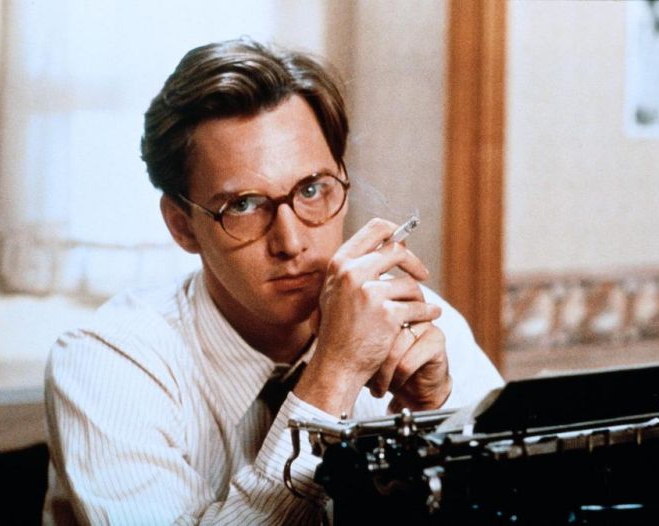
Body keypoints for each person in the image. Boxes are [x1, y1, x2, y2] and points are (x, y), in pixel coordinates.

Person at [44, 38, 503, 525]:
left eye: (312, 189)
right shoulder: (107, 361)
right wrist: (333, 374)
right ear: (182, 226)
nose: (291, 241)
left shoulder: (414, 319)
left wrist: (437, 421)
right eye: (243, 204)